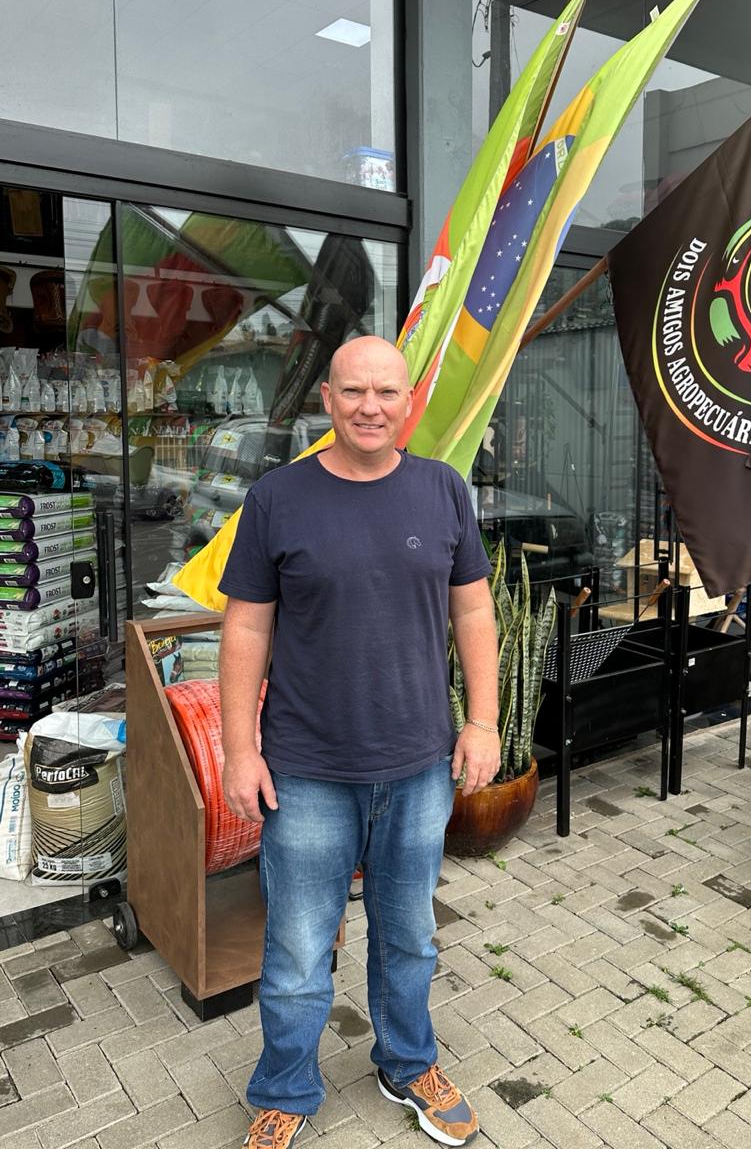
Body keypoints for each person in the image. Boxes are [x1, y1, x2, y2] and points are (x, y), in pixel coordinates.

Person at [219, 336, 500, 1149]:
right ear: (327, 400)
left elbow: (473, 609)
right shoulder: (278, 497)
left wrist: (483, 721)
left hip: (418, 765)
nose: (369, 407)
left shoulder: (442, 490)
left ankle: (408, 1064)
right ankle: (284, 1089)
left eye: (385, 392)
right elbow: (246, 628)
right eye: (352, 391)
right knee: (299, 948)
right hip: (306, 769)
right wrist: (240, 750)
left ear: (409, 401)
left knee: (409, 935)